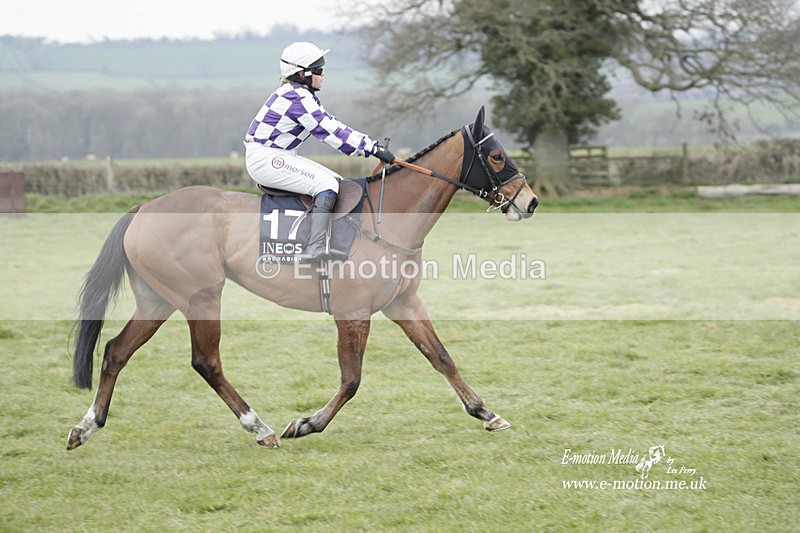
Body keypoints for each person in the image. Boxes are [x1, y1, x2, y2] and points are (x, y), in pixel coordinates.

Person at [244, 41, 395, 262]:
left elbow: (331, 124)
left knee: (337, 181)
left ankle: (323, 240)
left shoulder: (298, 94)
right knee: (326, 185)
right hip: (267, 159)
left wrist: (368, 145)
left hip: (277, 155)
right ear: (302, 73)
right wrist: (371, 147)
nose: (323, 75)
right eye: (318, 70)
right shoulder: (297, 98)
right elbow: (329, 130)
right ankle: (314, 249)